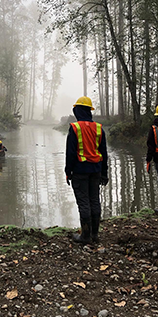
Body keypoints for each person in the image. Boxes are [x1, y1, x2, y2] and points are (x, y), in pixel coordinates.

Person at [65, 96, 108, 244]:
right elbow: (104, 152)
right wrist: (105, 173)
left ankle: (85, 236)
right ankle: (95, 235)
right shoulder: (98, 128)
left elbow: (70, 153)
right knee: (95, 201)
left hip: (80, 171)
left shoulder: (75, 128)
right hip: (96, 170)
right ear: (89, 111)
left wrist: (67, 171)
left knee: (83, 203)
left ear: (77, 111)